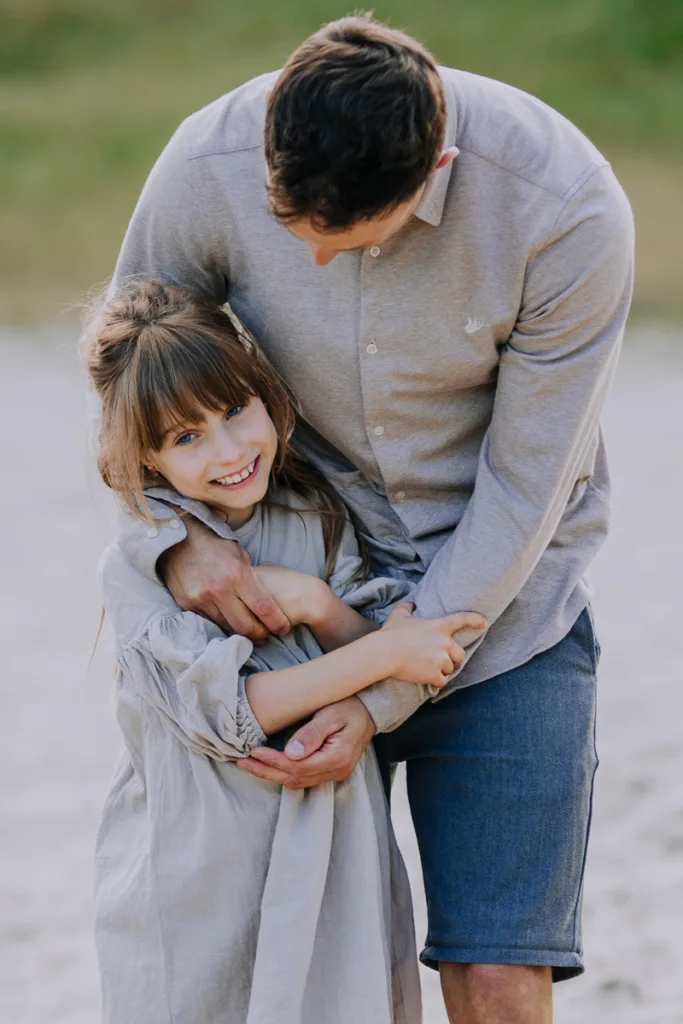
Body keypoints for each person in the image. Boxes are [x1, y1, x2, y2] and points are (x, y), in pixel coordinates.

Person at [104, 14, 634, 1023]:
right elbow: (132, 383)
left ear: (433, 170)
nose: (302, 264)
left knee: (492, 972)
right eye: (284, 224)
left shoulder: (566, 212)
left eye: (337, 242)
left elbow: (525, 489)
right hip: (277, 612)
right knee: (277, 966)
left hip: (499, 613)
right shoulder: (205, 161)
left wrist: (379, 691)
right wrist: (182, 545)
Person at [87, 279, 485, 1024]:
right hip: (201, 876)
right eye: (186, 437)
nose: (230, 451)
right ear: (142, 452)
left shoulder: (316, 514)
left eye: (235, 411)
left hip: (332, 852)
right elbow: (234, 714)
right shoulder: (140, 561)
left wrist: (317, 605)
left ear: (265, 392)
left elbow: (379, 655)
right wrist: (383, 656)